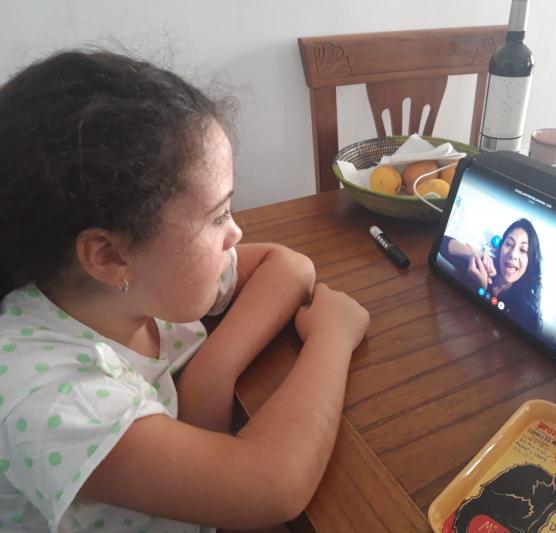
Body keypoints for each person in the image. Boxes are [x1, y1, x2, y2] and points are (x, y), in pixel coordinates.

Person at [0, 51, 370, 532]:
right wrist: (333, 338)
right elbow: (272, 486)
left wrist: (210, 374)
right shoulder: (48, 398)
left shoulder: (136, 286)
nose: (235, 233)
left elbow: (289, 266)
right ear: (109, 256)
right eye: (218, 216)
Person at [439, 218, 543, 332]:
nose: (513, 254)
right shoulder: (484, 266)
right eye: (508, 244)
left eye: (523, 250)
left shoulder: (526, 314)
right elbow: (441, 242)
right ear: (501, 247)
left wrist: (481, 289)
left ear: (530, 262)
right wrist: (474, 254)